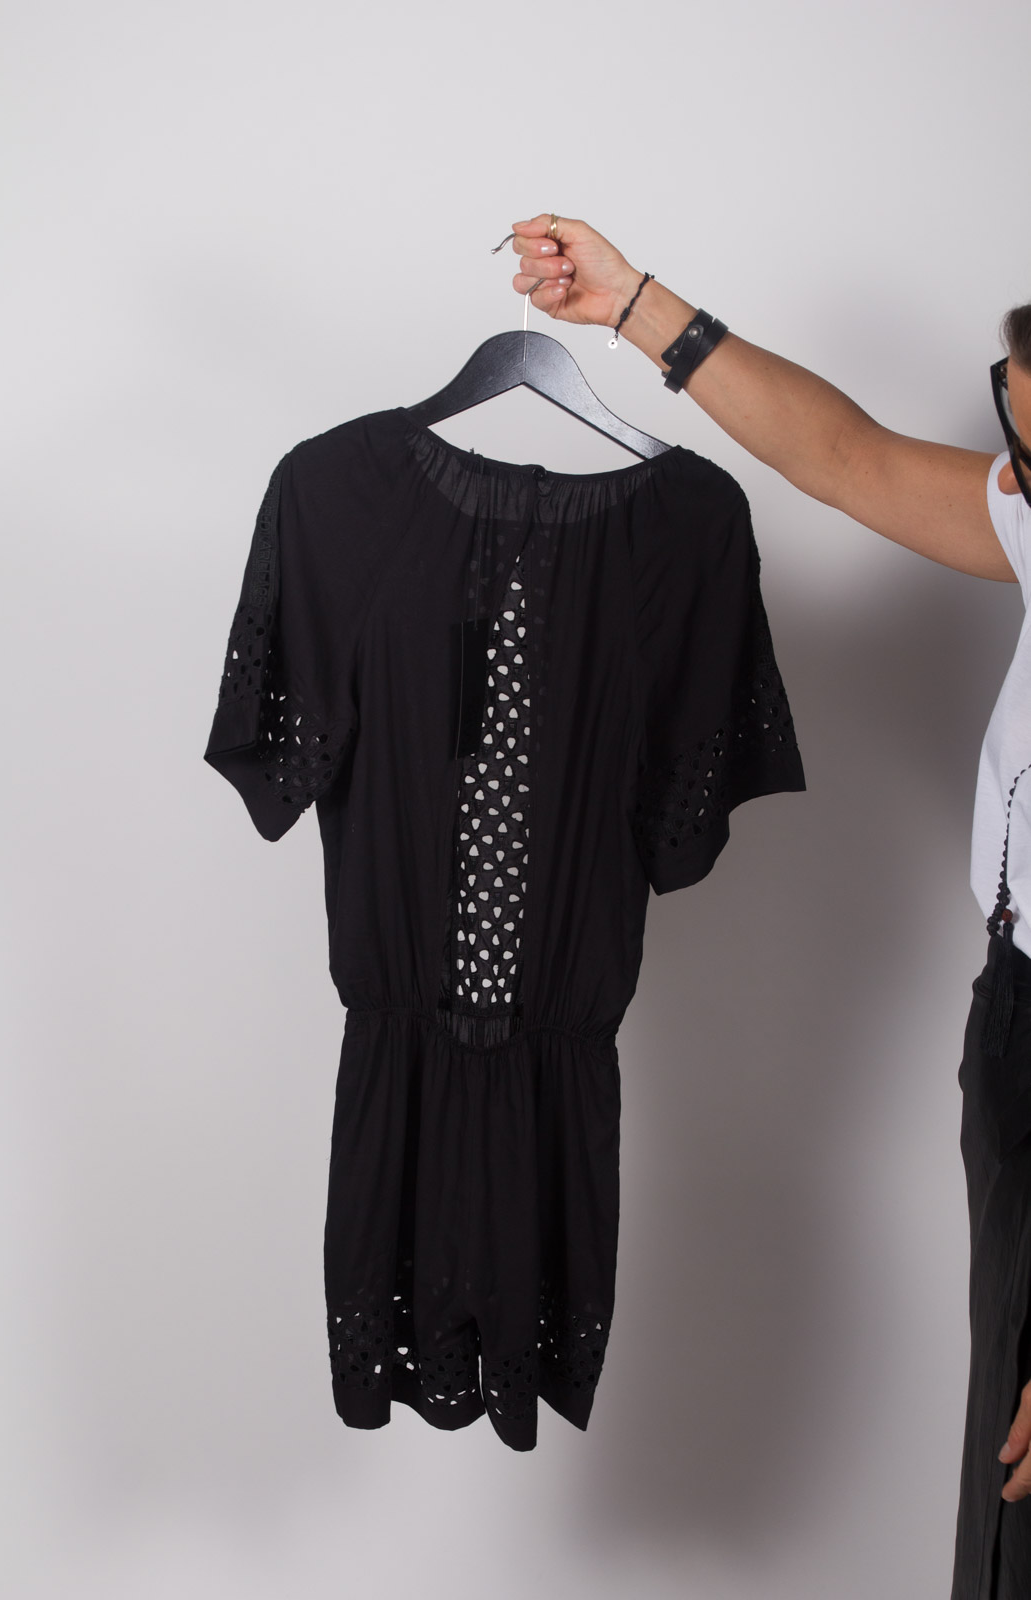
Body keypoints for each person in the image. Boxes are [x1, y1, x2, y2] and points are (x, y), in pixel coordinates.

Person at [505, 213, 1031, 1598]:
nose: (1020, 479)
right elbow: (852, 460)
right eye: (1016, 434)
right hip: (1019, 1016)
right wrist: (636, 305)